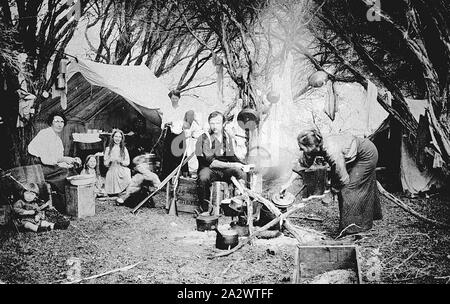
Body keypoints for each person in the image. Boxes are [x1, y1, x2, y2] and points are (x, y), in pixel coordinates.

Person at [280, 128, 382, 236]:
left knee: (348, 189)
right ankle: (357, 224)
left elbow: (342, 178)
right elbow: (303, 164)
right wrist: (288, 183)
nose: (300, 150)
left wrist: (331, 192)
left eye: (302, 148)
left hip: (366, 154)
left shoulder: (332, 150)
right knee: (348, 189)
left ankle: (352, 231)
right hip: (352, 155)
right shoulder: (314, 146)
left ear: (312, 146)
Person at [195, 111, 247, 212]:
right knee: (203, 177)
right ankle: (204, 209)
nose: (215, 126)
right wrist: (233, 164)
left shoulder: (226, 137)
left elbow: (231, 156)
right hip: (209, 169)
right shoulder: (204, 138)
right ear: (209, 123)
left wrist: (243, 165)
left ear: (223, 124)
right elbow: (212, 162)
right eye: (212, 123)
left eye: (218, 123)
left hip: (224, 170)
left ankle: (240, 207)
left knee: (241, 173)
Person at [27, 112, 81, 201]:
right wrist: (64, 160)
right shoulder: (45, 134)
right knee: (66, 173)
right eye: (56, 121)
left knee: (72, 172)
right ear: (51, 122)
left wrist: (66, 163)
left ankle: (73, 201)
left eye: (62, 122)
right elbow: (46, 160)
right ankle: (65, 201)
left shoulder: (58, 140)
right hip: (38, 167)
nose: (59, 125)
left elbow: (58, 159)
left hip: (51, 167)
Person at [104, 129, 131, 195]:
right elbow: (105, 164)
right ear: (112, 137)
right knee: (111, 192)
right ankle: (115, 192)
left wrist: (121, 161)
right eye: (116, 136)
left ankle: (123, 192)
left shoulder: (124, 149)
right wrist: (110, 160)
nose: (118, 139)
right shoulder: (108, 149)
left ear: (122, 139)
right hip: (112, 170)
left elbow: (128, 162)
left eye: (119, 137)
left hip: (121, 169)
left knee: (127, 173)